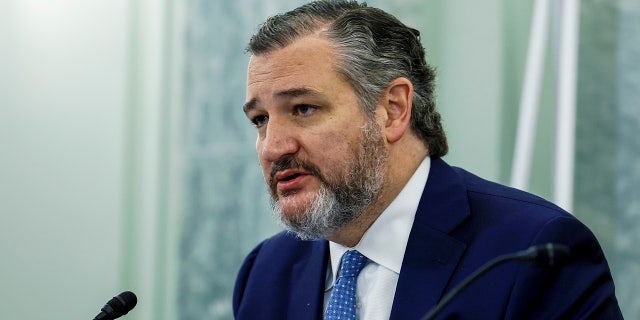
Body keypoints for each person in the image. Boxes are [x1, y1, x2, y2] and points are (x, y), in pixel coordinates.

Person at [233, 1, 623, 319]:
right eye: (260, 120)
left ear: (393, 109)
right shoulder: (265, 273)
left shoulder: (532, 254)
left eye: (303, 108)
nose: (273, 147)